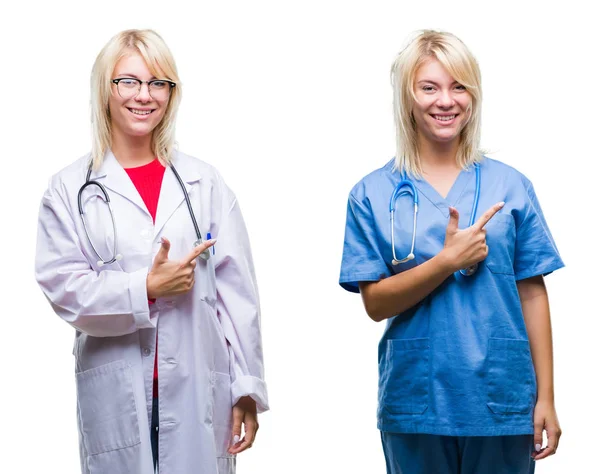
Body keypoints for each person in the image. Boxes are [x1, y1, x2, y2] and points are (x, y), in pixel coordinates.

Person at [35, 29, 268, 474]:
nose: (144, 95)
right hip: (116, 388)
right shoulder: (67, 188)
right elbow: (63, 287)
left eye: (158, 83)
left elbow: (238, 297)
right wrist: (145, 287)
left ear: (171, 94)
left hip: (200, 386)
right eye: (129, 81)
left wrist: (246, 388)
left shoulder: (205, 183)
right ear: (105, 88)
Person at [339, 30, 562, 474]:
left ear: (473, 96)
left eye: (458, 86)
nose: (446, 101)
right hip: (417, 399)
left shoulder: (511, 186)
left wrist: (547, 397)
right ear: (408, 98)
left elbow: (532, 292)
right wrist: (446, 262)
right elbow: (375, 303)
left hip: (501, 396)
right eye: (429, 87)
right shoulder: (372, 192)